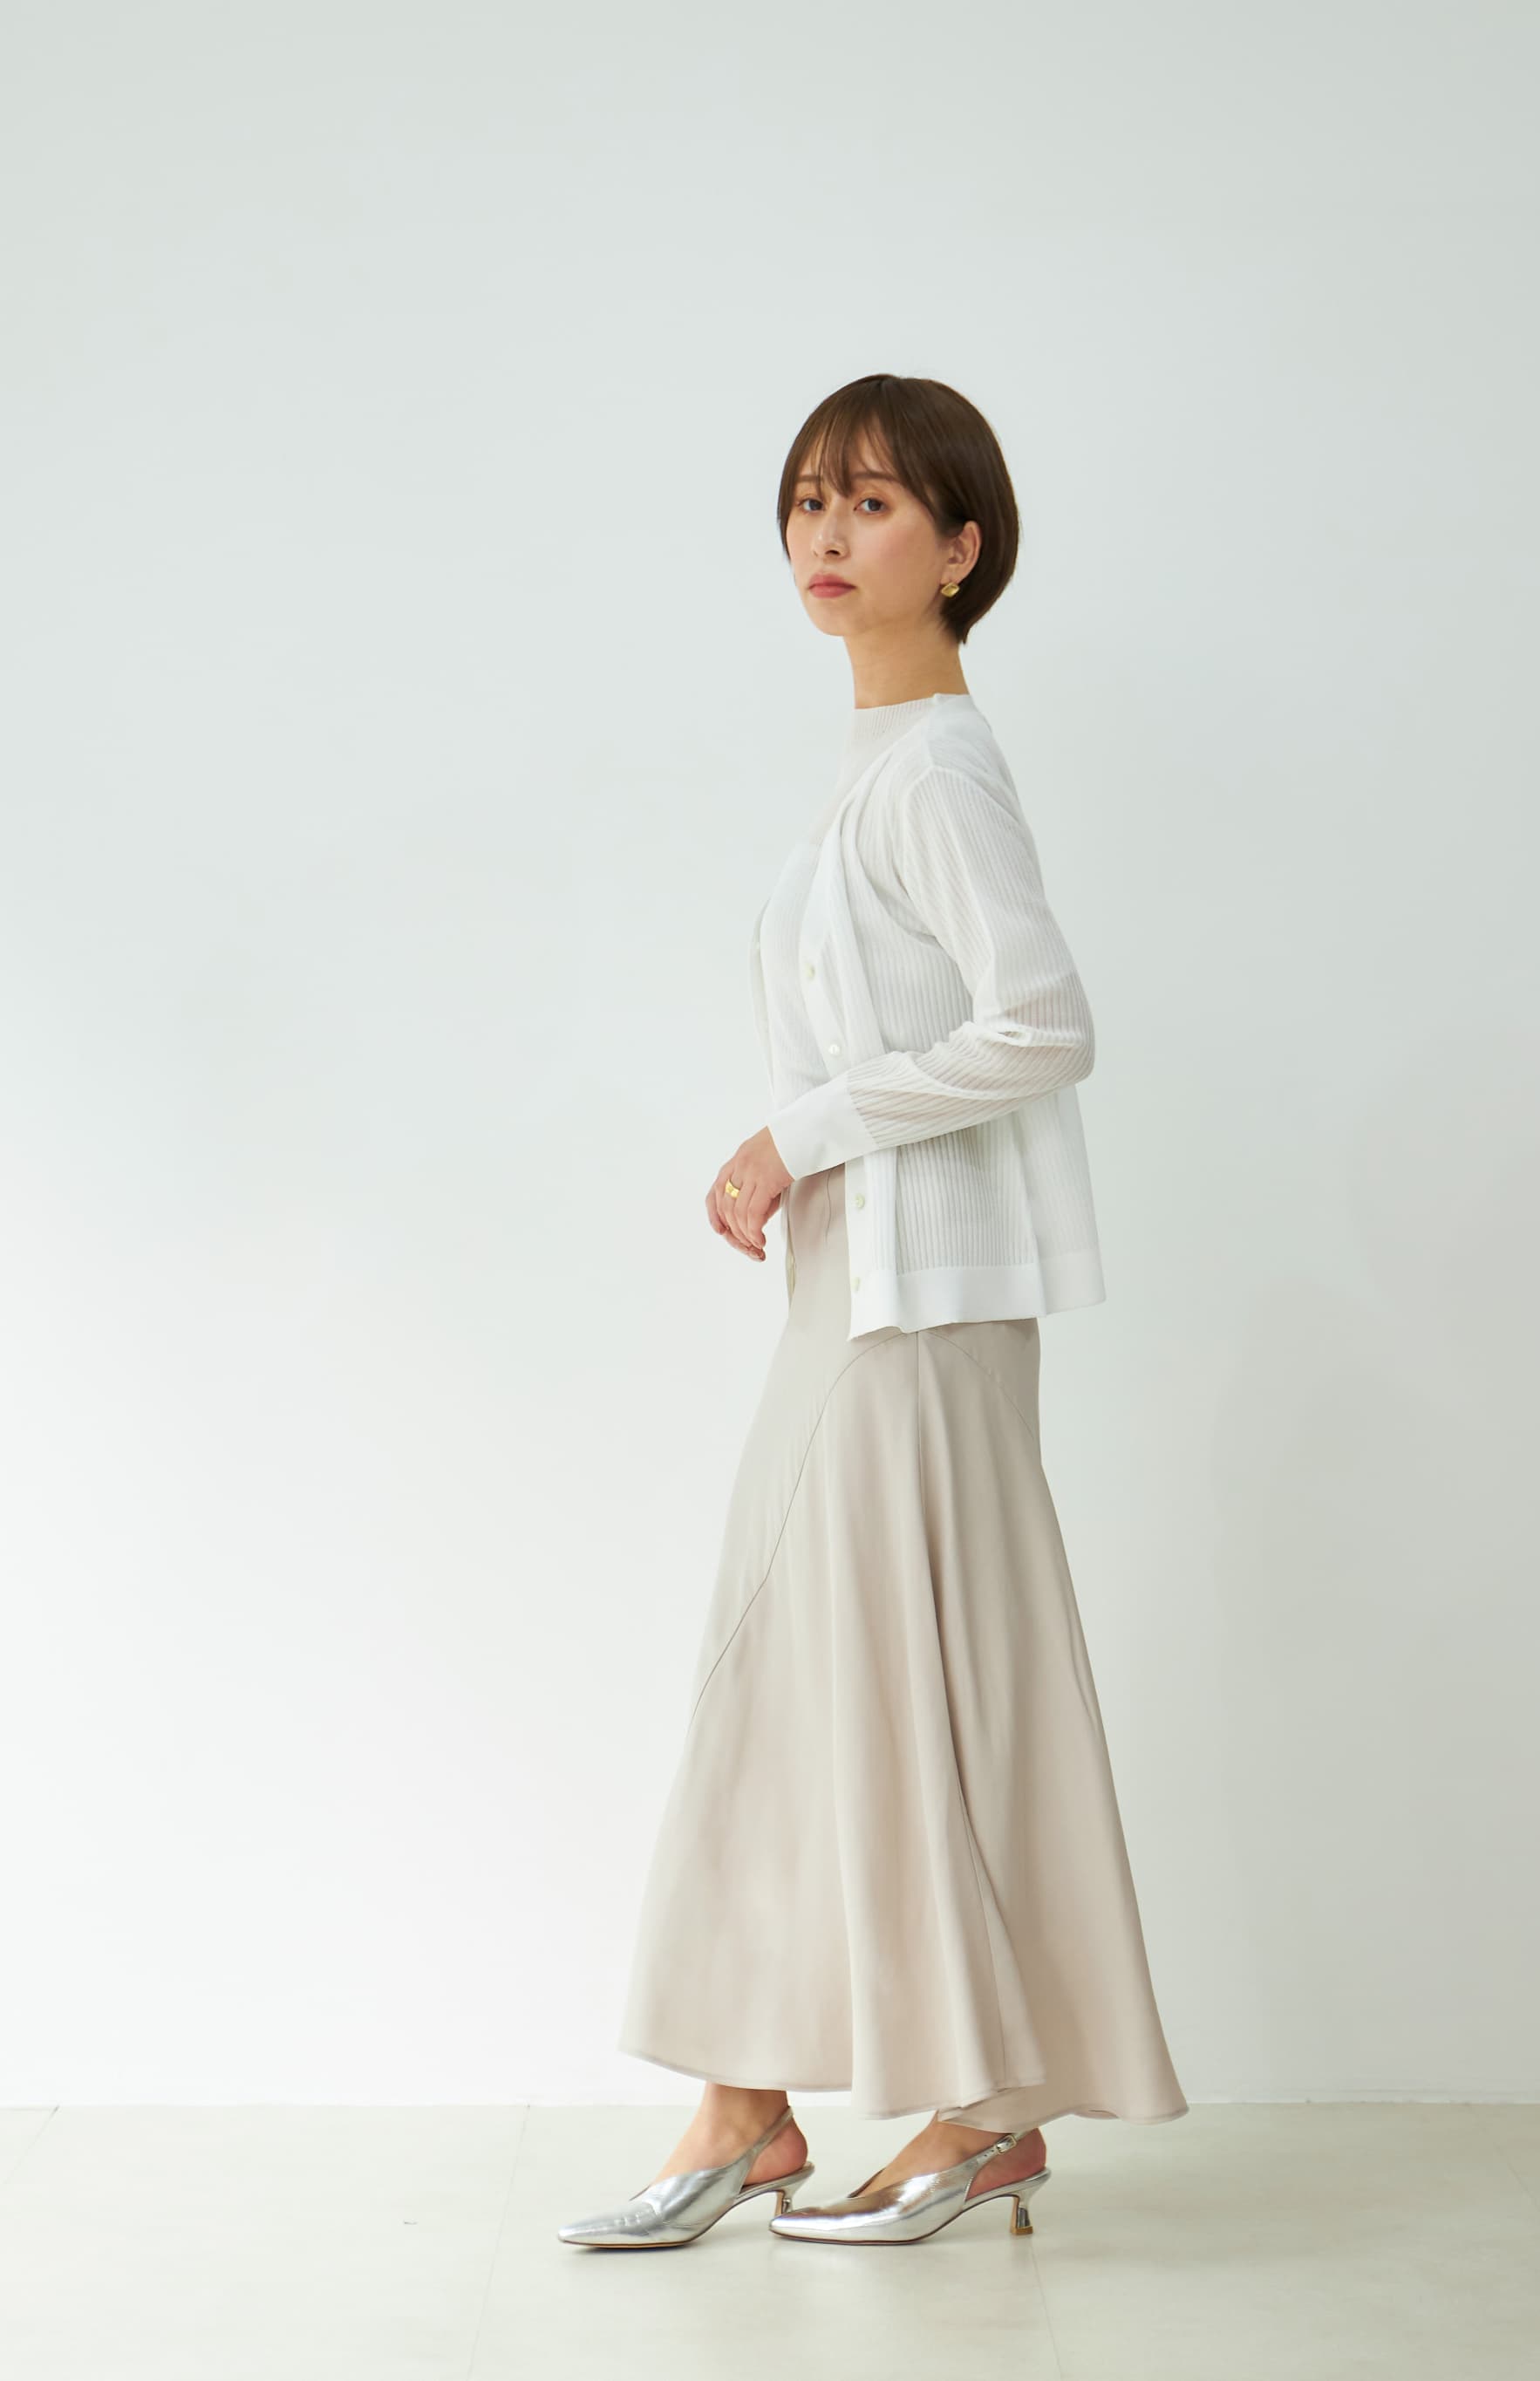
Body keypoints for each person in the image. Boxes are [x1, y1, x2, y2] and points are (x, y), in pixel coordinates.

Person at [559, 373, 1187, 2253]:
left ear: (962, 547)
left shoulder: (934, 772)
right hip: (873, 1299)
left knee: (860, 1677)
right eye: (809, 502)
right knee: (840, 1681)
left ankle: (903, 2106)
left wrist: (797, 1133)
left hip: (917, 1313)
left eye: (877, 504)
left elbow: (1043, 1024)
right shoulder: (881, 766)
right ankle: (779, 2102)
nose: (829, 537)